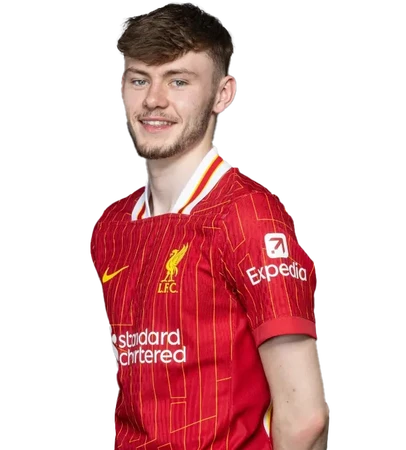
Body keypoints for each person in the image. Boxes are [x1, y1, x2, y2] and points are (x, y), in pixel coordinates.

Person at [88, 1, 331, 449]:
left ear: (223, 93)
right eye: (140, 79)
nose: (154, 99)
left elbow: (305, 418)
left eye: (178, 80)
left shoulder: (248, 215)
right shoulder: (111, 226)